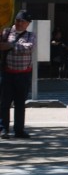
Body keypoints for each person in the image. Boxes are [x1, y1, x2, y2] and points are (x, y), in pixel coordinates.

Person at [0, 11, 36, 139]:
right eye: (18, 20)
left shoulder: (31, 35)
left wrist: (10, 45)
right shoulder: (6, 32)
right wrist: (15, 46)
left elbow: (28, 48)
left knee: (20, 104)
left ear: (27, 24)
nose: (20, 23)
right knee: (5, 103)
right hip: (7, 73)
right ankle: (4, 129)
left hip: (23, 75)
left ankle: (19, 130)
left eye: (23, 21)